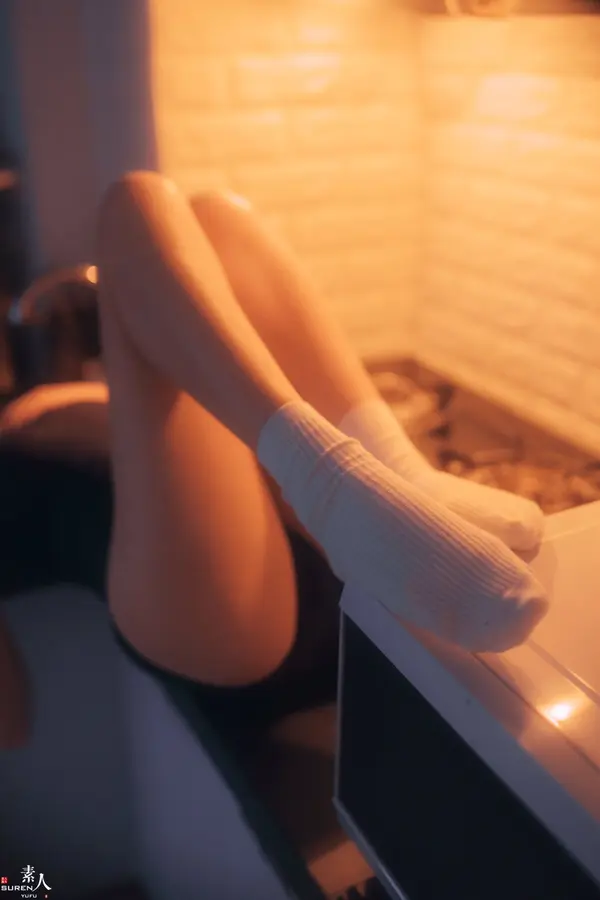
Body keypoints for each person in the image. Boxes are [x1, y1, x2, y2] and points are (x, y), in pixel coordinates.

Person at [0, 172, 548, 750]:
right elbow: (11, 728)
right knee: (132, 205)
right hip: (216, 615)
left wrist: (87, 402)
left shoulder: (36, 405)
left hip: (287, 535)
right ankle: (337, 485)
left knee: (215, 219)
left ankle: (392, 479)